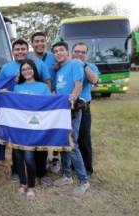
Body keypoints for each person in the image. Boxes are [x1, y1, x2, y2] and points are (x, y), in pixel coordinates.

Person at [0, 39, 53, 185]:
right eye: (17, 49)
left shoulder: (42, 86)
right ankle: (17, 171)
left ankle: (42, 172)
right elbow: (2, 88)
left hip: (38, 121)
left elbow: (49, 102)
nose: (20, 51)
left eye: (23, 48)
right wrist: (4, 93)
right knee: (18, 148)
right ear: (13, 51)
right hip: (21, 122)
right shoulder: (15, 83)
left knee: (40, 149)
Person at [51, 42, 90, 196]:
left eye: (61, 50)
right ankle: (67, 176)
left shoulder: (74, 63)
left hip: (72, 109)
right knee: (64, 143)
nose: (58, 53)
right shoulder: (60, 69)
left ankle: (84, 181)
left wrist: (72, 99)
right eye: (55, 51)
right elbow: (58, 88)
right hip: (61, 110)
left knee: (72, 144)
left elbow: (78, 85)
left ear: (67, 52)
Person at [13, 60, 51, 199]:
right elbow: (13, 105)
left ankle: (31, 186)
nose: (27, 71)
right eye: (24, 69)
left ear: (34, 70)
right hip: (19, 127)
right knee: (17, 156)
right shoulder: (17, 87)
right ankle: (23, 184)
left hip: (33, 127)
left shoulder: (42, 87)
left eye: (29, 68)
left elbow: (49, 106)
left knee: (29, 157)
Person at [29, 32, 61, 174]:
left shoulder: (55, 56)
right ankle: (37, 161)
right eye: (36, 41)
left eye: (42, 41)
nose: (40, 43)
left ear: (46, 42)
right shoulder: (30, 58)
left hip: (53, 96)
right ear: (32, 44)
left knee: (53, 129)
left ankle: (54, 158)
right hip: (36, 99)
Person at [72, 42, 99, 177]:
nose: (80, 54)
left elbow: (94, 80)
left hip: (83, 107)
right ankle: (73, 165)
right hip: (67, 107)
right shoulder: (67, 65)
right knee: (70, 138)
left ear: (86, 54)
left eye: (83, 52)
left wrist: (83, 65)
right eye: (77, 51)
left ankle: (87, 168)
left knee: (83, 137)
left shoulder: (91, 66)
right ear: (72, 52)